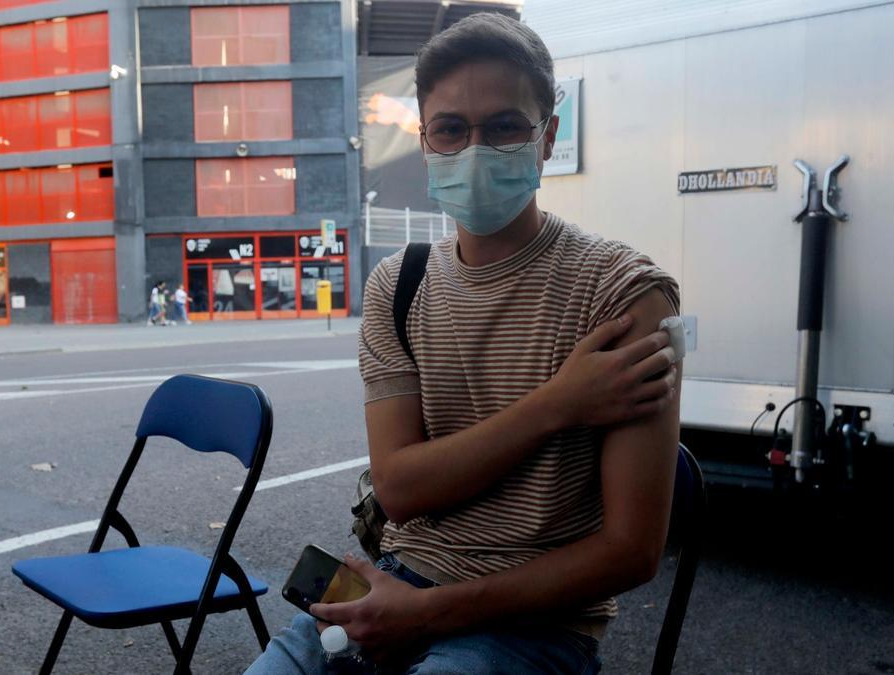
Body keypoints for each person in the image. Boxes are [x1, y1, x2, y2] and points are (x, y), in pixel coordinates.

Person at [246, 14, 681, 675]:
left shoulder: (624, 296)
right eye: (451, 129)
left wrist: (426, 612)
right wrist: (559, 403)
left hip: (533, 624)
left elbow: (631, 551)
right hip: (398, 578)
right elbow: (400, 488)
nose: (475, 148)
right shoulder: (398, 286)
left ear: (548, 137)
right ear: (425, 143)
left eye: (505, 126)